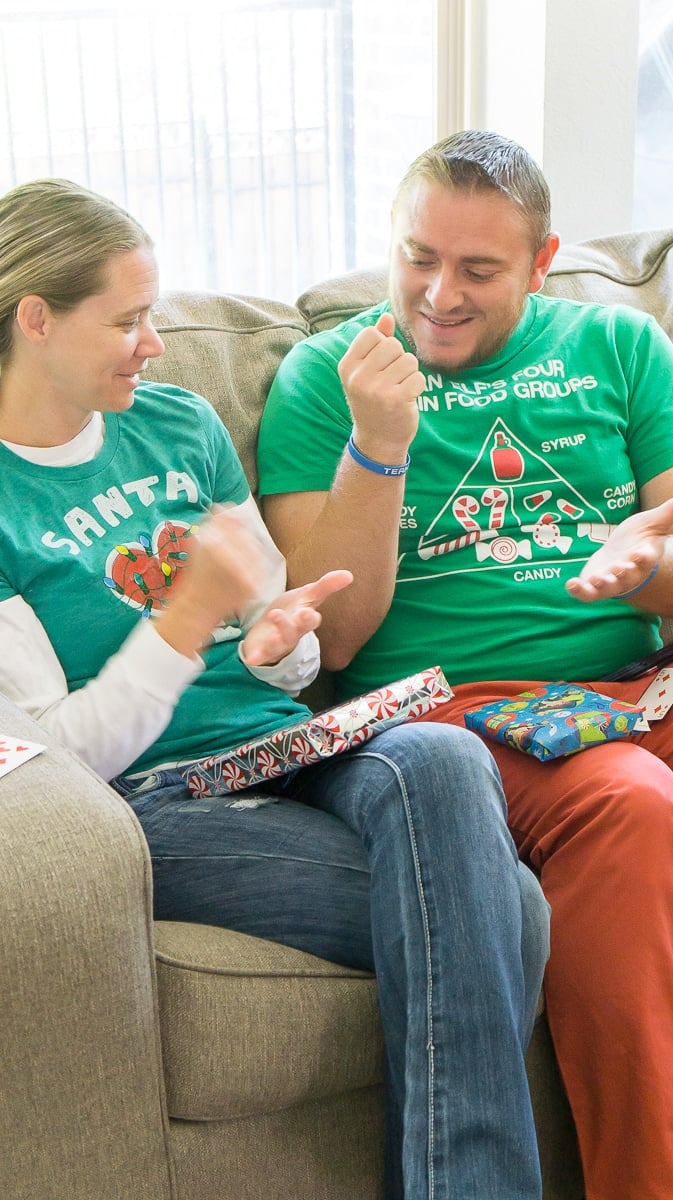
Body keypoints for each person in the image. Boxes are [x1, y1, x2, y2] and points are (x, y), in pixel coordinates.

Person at [258, 129, 673, 1200]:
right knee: (628, 805)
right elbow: (334, 637)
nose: (435, 294)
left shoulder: (618, 343)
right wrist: (378, 445)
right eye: (416, 257)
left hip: (643, 685)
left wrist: (647, 565)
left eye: (475, 269)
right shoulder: (330, 377)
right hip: (457, 712)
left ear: (541, 260)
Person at [0, 177, 550, 1200]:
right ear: (36, 319)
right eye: (125, 321)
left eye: (154, 316)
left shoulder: (175, 425)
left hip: (288, 741)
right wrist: (183, 619)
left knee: (442, 748)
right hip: (153, 799)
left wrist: (275, 643)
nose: (153, 344)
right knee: (507, 908)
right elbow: (63, 759)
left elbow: (275, 648)